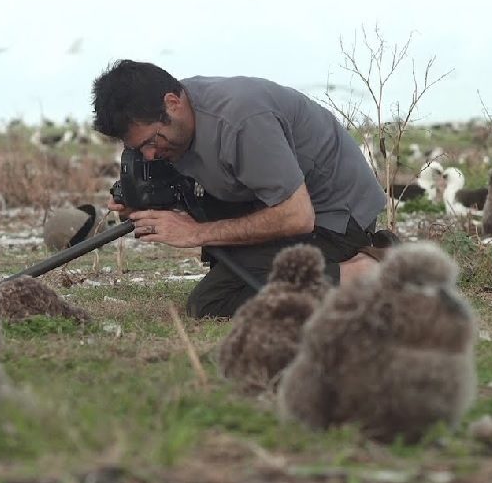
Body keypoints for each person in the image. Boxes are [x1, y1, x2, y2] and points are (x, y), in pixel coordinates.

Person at [91, 59, 389, 318]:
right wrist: (145, 202)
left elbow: (297, 216)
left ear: (172, 103)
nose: (150, 155)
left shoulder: (241, 121)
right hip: (275, 204)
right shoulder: (178, 122)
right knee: (231, 272)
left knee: (214, 301)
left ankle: (364, 275)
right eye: (138, 149)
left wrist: (193, 233)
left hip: (335, 218)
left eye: (152, 142)